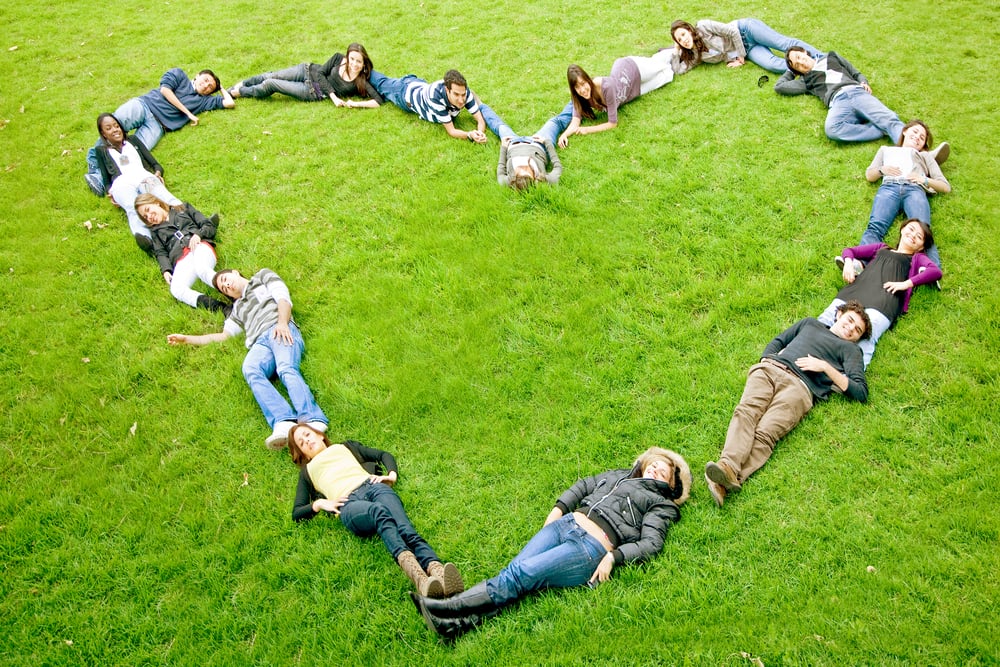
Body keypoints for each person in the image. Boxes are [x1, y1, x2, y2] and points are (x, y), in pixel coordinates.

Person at [411, 447, 692, 642]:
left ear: (670, 485)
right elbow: (584, 486)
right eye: (655, 464)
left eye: (664, 473)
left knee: (518, 576)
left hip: (589, 548)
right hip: (564, 525)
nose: (656, 470)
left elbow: (651, 543)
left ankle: (444, 608)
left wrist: (613, 557)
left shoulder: (661, 504)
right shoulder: (619, 475)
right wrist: (558, 509)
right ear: (645, 463)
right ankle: (452, 626)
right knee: (516, 571)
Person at [704, 302, 871, 507]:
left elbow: (860, 392)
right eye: (850, 320)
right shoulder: (810, 323)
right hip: (771, 369)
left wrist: (825, 367)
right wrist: (767, 360)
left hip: (800, 388)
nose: (851, 328)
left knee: (766, 433)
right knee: (746, 412)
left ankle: (727, 479)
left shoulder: (851, 350)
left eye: (857, 331)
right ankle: (727, 466)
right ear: (839, 314)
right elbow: (779, 340)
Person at [289, 424, 463, 598]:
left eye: (307, 435)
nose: (307, 441)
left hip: (373, 487)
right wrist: (319, 504)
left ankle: (439, 572)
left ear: (319, 435)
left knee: (405, 528)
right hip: (348, 503)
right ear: (303, 454)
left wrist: (391, 475)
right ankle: (421, 580)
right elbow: (297, 512)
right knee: (378, 511)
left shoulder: (345, 447)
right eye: (302, 443)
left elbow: (383, 455)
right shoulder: (308, 472)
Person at [166, 268, 328, 449]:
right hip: (260, 343)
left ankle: (312, 418)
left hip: (279, 327)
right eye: (224, 288)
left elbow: (283, 297)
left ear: (235, 272)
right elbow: (223, 336)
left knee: (285, 368)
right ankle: (284, 421)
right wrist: (187, 339)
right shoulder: (237, 310)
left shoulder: (262, 277)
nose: (227, 285)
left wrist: (282, 323)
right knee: (250, 368)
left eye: (225, 280)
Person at [824, 219, 941, 368]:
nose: (912, 235)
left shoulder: (916, 259)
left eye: (919, 237)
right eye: (911, 229)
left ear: (921, 247)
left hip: (883, 302)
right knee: (826, 320)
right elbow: (850, 251)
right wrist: (848, 263)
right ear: (903, 229)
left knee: (867, 337)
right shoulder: (881, 248)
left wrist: (906, 283)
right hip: (854, 291)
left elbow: (935, 272)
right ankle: (800, 353)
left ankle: (850, 377)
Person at [860, 120, 951, 267]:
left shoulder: (925, 156)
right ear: (905, 131)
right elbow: (870, 175)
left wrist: (924, 179)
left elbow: (945, 187)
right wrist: (882, 170)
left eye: (922, 138)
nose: (917, 137)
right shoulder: (885, 149)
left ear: (923, 146)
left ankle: (929, 269)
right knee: (875, 227)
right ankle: (860, 263)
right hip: (889, 187)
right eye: (915, 132)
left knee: (923, 230)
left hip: (914, 189)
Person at [92, 113, 182, 252]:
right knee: (132, 206)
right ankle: (148, 241)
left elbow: (155, 165)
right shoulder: (101, 151)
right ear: (103, 134)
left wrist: (157, 174)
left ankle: (190, 219)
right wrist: (110, 193)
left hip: (143, 177)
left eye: (116, 126)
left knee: (161, 194)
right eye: (109, 128)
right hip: (121, 183)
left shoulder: (133, 140)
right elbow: (106, 180)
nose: (115, 130)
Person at [775, 47, 902, 144]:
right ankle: (878, 130)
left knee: (890, 119)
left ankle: (914, 154)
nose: (800, 62)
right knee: (832, 129)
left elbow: (856, 73)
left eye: (798, 57)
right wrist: (790, 71)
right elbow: (779, 87)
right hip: (838, 102)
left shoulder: (831, 56)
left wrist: (864, 82)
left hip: (856, 92)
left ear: (804, 52)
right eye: (797, 65)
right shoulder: (807, 81)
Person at [133, 193, 230, 314]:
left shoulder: (183, 208)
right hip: (181, 259)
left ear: (155, 202)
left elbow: (207, 224)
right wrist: (166, 270)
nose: (149, 216)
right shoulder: (155, 231)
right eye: (145, 216)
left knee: (202, 269)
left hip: (199, 247)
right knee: (176, 289)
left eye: (148, 210)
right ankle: (221, 308)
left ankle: (233, 292)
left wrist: (199, 235)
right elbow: (161, 253)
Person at [558, 50, 677, 147]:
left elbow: (612, 123)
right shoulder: (579, 97)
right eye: (578, 87)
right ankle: (674, 59)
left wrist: (588, 129)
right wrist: (564, 135)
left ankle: (678, 48)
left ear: (588, 80)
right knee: (668, 75)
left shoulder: (605, 87)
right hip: (633, 91)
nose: (583, 90)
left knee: (661, 64)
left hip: (633, 68)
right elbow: (575, 121)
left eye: (583, 84)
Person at [113, 67, 235, 151]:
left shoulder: (204, 101)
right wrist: (188, 113)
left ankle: (100, 176)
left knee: (134, 150)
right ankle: (94, 161)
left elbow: (230, 103)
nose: (206, 85)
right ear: (197, 75)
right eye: (206, 80)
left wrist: (220, 87)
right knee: (114, 125)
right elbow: (165, 90)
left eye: (210, 87)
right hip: (145, 105)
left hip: (158, 125)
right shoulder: (179, 74)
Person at [229, 43, 382, 108]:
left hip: (312, 91)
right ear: (347, 57)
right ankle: (241, 84)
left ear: (364, 63)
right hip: (307, 70)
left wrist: (355, 104)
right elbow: (321, 72)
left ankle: (240, 92)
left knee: (271, 83)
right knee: (270, 75)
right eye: (352, 59)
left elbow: (378, 101)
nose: (354, 64)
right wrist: (334, 98)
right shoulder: (338, 58)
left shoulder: (360, 81)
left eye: (359, 61)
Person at [368, 69, 490, 142]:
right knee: (379, 82)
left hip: (419, 84)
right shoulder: (435, 97)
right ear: (447, 90)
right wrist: (469, 135)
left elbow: (479, 119)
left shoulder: (464, 92)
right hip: (403, 93)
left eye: (463, 95)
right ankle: (356, 66)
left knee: (378, 90)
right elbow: (451, 131)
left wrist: (480, 134)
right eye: (456, 95)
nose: (461, 99)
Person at [670, 18, 822, 74]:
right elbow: (678, 70)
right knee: (772, 65)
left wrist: (740, 57)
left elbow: (732, 31)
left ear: (689, 30)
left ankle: (821, 58)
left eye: (683, 34)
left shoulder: (703, 26)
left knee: (783, 44)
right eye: (679, 40)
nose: (683, 40)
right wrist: (675, 52)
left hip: (746, 31)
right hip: (750, 50)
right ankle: (811, 69)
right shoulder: (696, 55)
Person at [479, 101, 574, 189]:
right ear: (534, 176)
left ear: (514, 177)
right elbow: (557, 167)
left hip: (512, 142)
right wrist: (546, 142)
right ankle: (576, 100)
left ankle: (480, 105)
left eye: (520, 169)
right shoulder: (544, 179)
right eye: (527, 168)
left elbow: (500, 171)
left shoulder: (507, 181)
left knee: (498, 126)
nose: (523, 165)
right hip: (538, 143)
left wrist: (504, 147)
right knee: (555, 122)